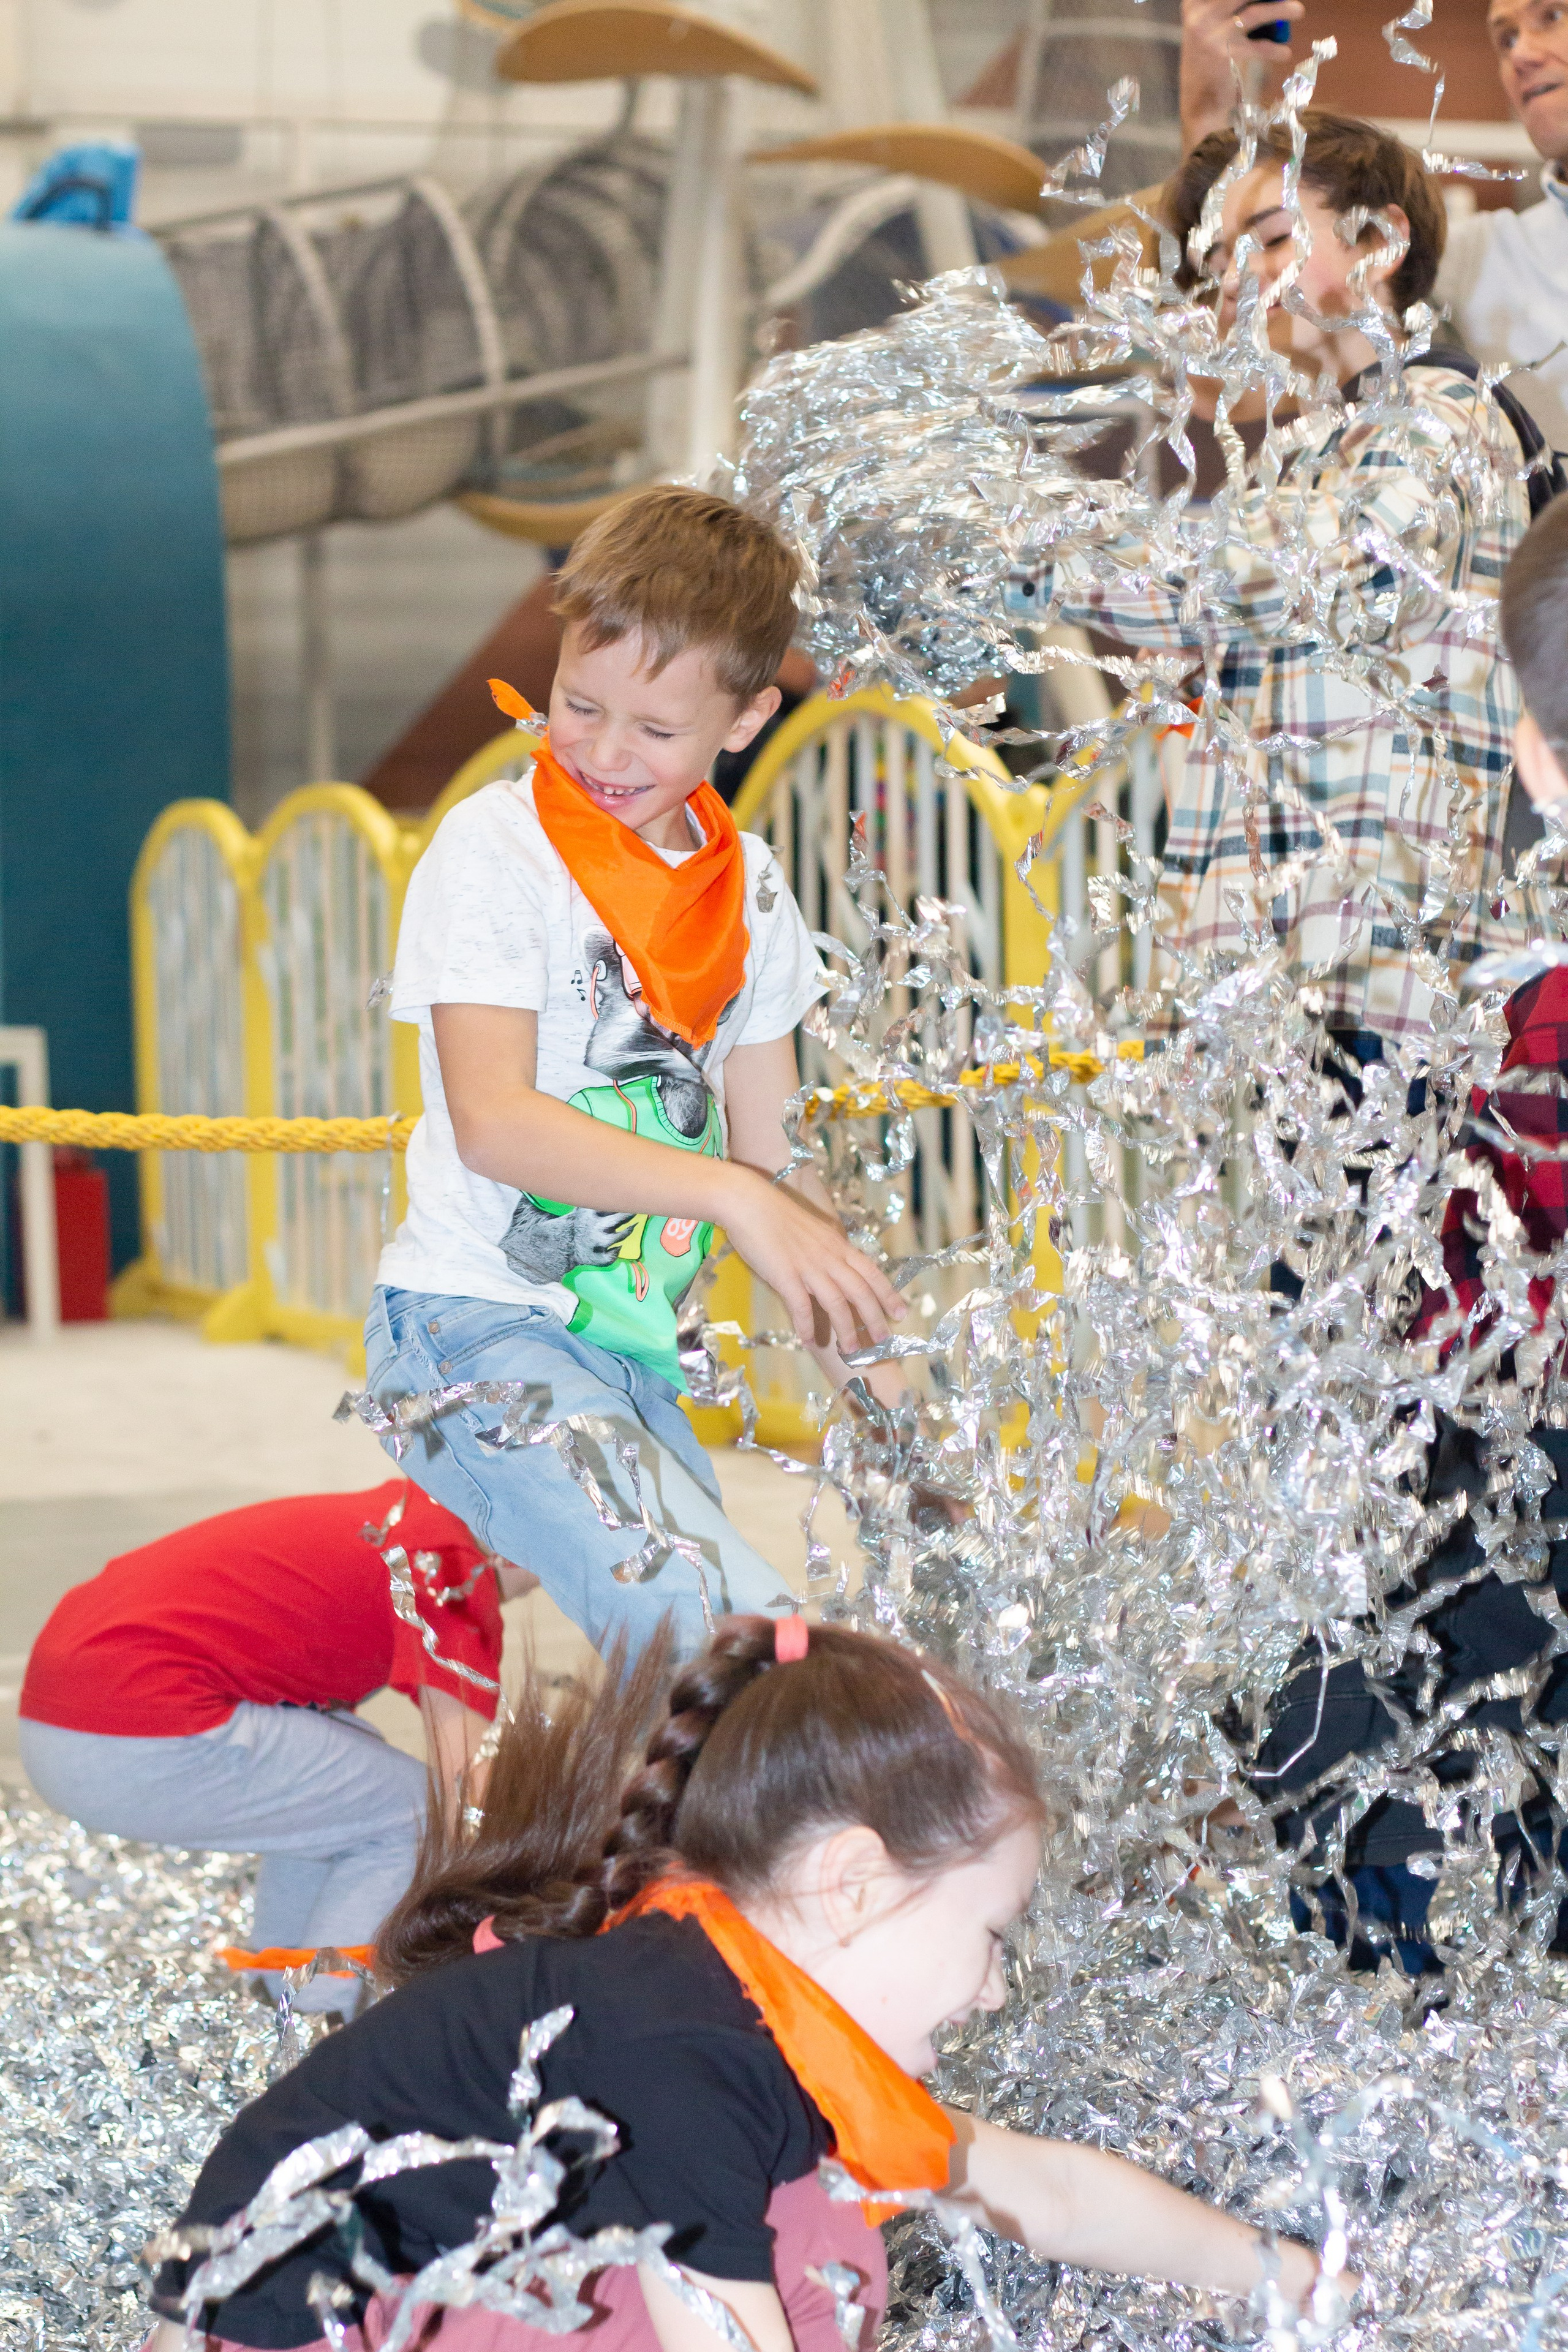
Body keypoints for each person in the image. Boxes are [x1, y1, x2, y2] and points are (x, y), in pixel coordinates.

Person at [146, 1618, 1342, 2351]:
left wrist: (1281, 2277)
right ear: (854, 1886)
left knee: (821, 2210)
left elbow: (1049, 2193)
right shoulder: (683, 2049)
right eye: (992, 1934)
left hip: (408, 2294)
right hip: (290, 2328)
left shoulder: (737, 2002)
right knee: (811, 2241)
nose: (992, 1990)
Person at [364, 485, 913, 1666]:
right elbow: (495, 1122)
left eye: (656, 731)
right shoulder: (497, 850)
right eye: (579, 704)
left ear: (748, 717)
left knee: (704, 1685)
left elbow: (780, 1175)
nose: (605, 753)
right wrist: (732, 1195)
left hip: (631, 1355)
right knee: (740, 1647)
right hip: (473, 1330)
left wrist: (893, 1411)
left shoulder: (752, 889)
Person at [1009, 111, 1531, 1045]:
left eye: (1273, 239)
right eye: (1218, 264)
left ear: (1379, 241)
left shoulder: (1444, 416)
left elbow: (1294, 576)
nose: (1238, 281)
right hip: (1287, 982)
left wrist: (1039, 556)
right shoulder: (1315, 453)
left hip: (1390, 988)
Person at [1242, 491, 1568, 1974]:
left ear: (1531, 759)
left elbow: (1445, 1312)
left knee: (1352, 1740)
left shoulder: (1524, 1022)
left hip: (1515, 1494)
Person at [18, 1479, 534, 2006]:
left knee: (350, 1790)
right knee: (415, 1816)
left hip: (64, 1719)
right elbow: (469, 1786)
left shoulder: (411, 1516)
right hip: (133, 1728)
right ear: (523, 1544)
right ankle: (326, 2022)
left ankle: (279, 1996)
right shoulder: (445, 1563)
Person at [1178, 0, 1568, 452]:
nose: (1521, 54)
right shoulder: (1478, 260)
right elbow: (1220, 379)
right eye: (1506, 39)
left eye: (1553, 16)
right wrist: (1206, 112)